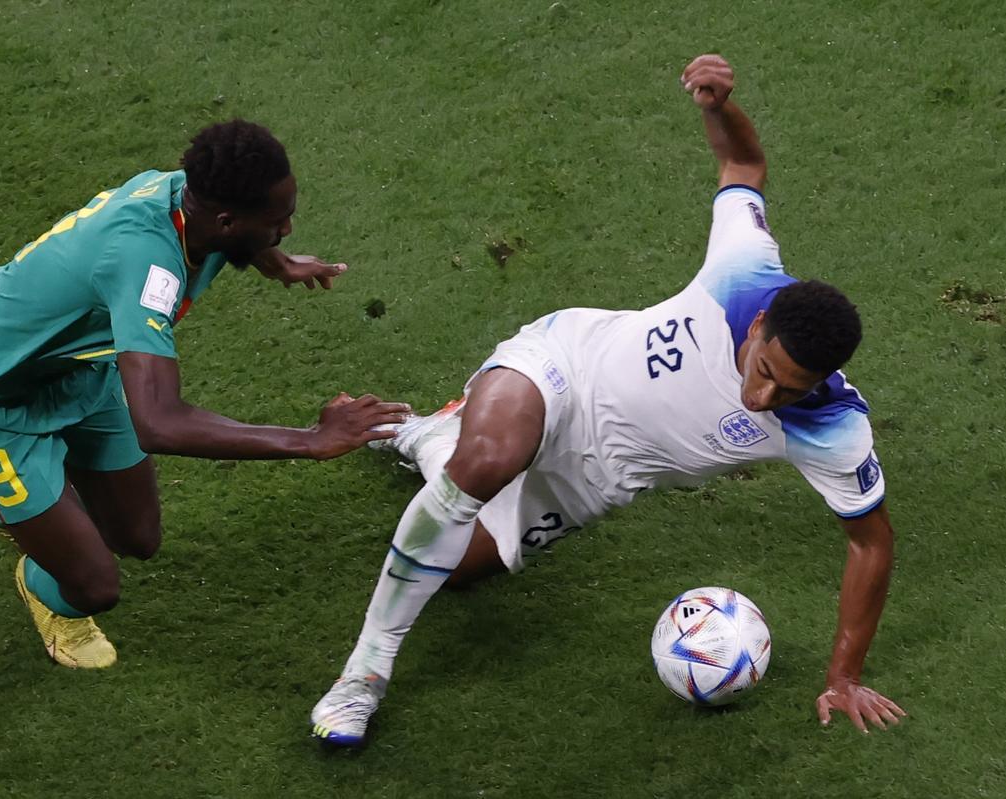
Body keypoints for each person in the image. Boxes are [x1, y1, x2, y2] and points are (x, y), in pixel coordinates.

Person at [310, 55, 905, 745]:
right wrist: (717, 108)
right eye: (763, 367)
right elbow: (743, 170)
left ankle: (423, 434)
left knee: (455, 567)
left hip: (594, 481)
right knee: (490, 456)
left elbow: (872, 543)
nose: (761, 394)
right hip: (565, 367)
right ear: (760, 324)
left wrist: (844, 674)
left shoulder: (833, 426)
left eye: (787, 390)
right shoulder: (744, 268)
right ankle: (363, 675)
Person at [0, 119, 409, 669]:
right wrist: (311, 439)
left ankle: (31, 509)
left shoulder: (190, 195)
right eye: (278, 223)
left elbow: (228, 228)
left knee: (137, 538)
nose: (289, 228)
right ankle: (40, 576)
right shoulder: (142, 263)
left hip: (77, 371)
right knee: (94, 584)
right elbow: (160, 422)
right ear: (227, 221)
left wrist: (275, 261)